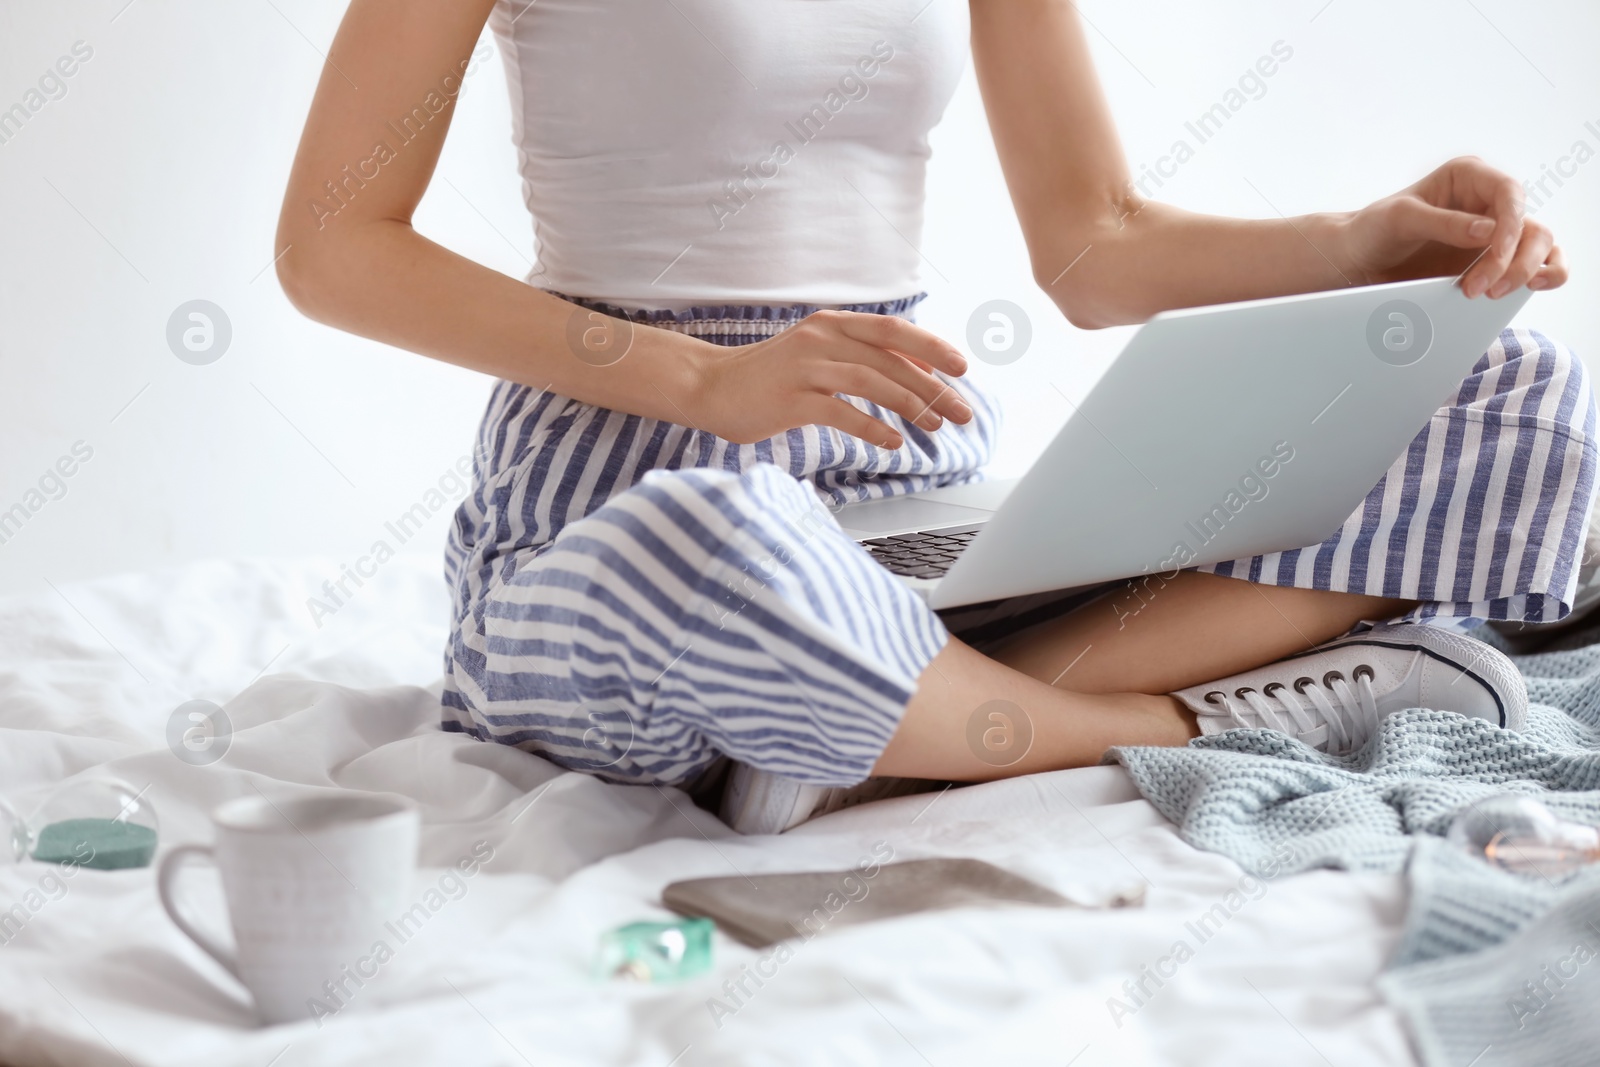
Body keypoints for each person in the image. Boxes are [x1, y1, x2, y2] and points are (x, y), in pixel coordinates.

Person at [275, 0, 1594, 834]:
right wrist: (695, 382)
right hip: (627, 501)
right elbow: (331, 246)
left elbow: (1097, 246)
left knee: (1508, 390)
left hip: (915, 485)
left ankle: (892, 729)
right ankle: (1197, 721)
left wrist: (1358, 244)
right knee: (717, 539)